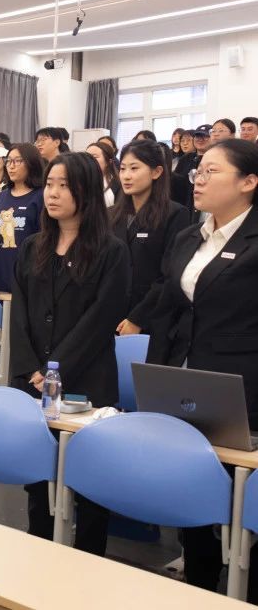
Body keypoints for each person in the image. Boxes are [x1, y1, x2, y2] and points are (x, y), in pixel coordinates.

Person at [147, 139, 258, 599]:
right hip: (188, 377)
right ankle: (198, 585)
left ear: (249, 182)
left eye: (212, 171)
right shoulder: (189, 236)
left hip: (245, 387)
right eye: (199, 171)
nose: (198, 179)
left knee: (242, 493)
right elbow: (170, 307)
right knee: (195, 483)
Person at [10, 152, 130, 558]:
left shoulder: (111, 251)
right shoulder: (33, 246)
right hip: (34, 381)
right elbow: (20, 312)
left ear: (87, 192)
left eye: (64, 185)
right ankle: (40, 550)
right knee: (38, 477)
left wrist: (53, 369)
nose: (53, 193)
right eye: (50, 184)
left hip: (88, 381)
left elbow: (100, 320)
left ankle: (88, 561)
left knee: (90, 484)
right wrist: (31, 368)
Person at [111, 141, 190, 337]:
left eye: (134, 168)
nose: (126, 175)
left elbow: (170, 274)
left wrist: (138, 318)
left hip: (151, 319)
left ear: (156, 172)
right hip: (111, 314)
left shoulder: (174, 214)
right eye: (123, 168)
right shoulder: (110, 215)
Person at [0, 144, 45, 293]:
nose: (11, 166)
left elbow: (43, 242)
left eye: (17, 161)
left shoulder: (41, 196)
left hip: (25, 279)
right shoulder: (1, 197)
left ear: (31, 163)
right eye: (9, 161)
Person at [86, 142, 121, 207]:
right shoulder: (79, 181)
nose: (88, 160)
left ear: (108, 162)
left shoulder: (118, 184)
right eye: (86, 157)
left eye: (94, 157)